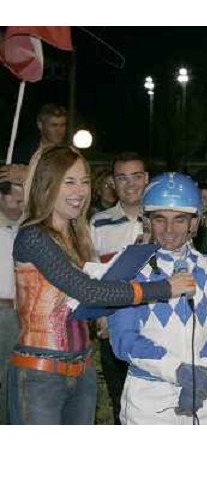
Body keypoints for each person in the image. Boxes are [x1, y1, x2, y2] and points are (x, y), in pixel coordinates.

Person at [7, 145, 195, 425]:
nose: (80, 191)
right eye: (69, 181)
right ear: (47, 185)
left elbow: (83, 302)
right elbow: (88, 291)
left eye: (84, 181)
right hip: (40, 373)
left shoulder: (77, 234)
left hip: (81, 371)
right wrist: (164, 288)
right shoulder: (33, 236)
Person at [108, 173, 207, 425]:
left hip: (203, 394)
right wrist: (177, 371)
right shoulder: (127, 268)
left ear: (194, 223)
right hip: (149, 400)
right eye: (160, 219)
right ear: (147, 221)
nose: (169, 230)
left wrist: (200, 373)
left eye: (179, 220)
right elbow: (123, 339)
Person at [89, 152, 149, 424]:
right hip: (114, 327)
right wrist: (100, 314)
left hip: (156, 327)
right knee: (120, 402)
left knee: (153, 403)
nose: (130, 184)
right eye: (122, 178)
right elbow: (92, 275)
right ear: (113, 182)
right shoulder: (98, 222)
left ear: (146, 179)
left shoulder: (164, 219)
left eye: (136, 176)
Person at [0, 179, 24, 424]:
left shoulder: (21, 232)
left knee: (9, 379)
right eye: (16, 200)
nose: (21, 206)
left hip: (15, 313)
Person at [0, 103, 68, 185]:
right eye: (54, 125)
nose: (59, 131)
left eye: (62, 125)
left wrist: (29, 174)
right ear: (40, 125)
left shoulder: (69, 153)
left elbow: (65, 179)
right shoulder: (25, 149)